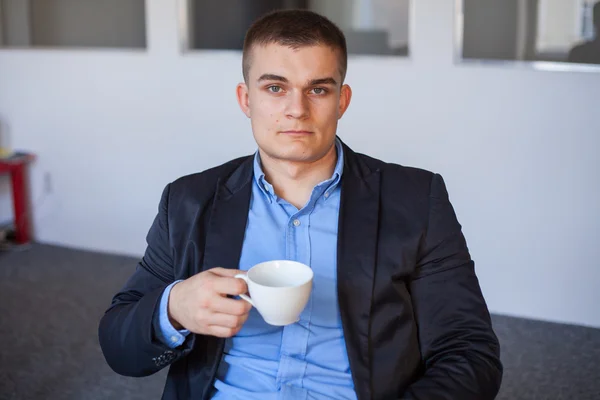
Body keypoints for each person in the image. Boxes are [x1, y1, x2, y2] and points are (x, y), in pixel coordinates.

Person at [98, 9, 502, 400]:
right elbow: (120, 348)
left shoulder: (415, 198)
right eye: (275, 88)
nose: (297, 109)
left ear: (342, 101)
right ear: (246, 99)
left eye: (318, 89)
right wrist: (172, 309)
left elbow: (469, 353)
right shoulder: (188, 201)